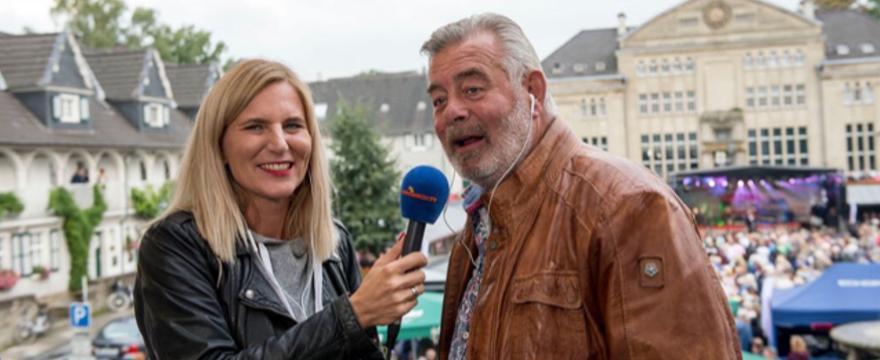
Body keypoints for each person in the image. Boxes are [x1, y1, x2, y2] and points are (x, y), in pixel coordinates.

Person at [422, 13, 740, 358]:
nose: (452, 111)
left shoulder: (628, 208)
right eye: (439, 100)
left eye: (472, 89)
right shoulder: (478, 225)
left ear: (533, 92)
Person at [134, 59, 427, 359]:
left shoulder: (333, 243)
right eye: (255, 127)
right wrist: (353, 314)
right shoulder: (176, 245)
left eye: (292, 126)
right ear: (219, 145)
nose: (279, 143)